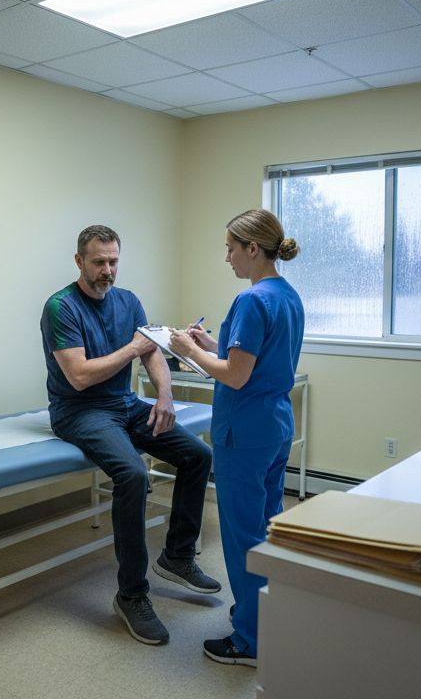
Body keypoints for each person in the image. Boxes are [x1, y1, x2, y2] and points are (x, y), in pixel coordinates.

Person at [40, 225, 220, 646]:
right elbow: (80, 376)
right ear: (79, 261)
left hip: (125, 404)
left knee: (198, 456)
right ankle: (132, 594)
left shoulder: (128, 301)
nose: (107, 270)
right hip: (79, 410)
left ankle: (177, 556)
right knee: (133, 475)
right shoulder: (60, 307)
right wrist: (133, 349)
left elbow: (152, 351)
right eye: (99, 262)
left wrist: (164, 395)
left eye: (113, 261)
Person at [168, 208, 304, 667]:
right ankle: (265, 613)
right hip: (275, 426)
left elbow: (236, 375)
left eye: (230, 248)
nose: (227, 257)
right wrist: (210, 345)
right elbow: (250, 357)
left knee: (243, 534)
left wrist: (187, 350)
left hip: (244, 432)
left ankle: (248, 640)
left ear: (252, 248)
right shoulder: (286, 294)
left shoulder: (250, 300)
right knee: (267, 525)